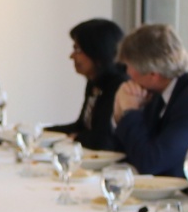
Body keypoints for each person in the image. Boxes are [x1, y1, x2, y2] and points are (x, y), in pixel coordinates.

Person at [112, 23, 188, 176]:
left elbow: (151, 163)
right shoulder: (154, 92)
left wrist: (130, 112)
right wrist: (118, 112)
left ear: (153, 75)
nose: (127, 73)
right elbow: (123, 154)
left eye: (129, 66)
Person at [46, 18, 127, 150]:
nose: (72, 56)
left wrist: (75, 138)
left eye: (78, 50)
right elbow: (82, 126)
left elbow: (103, 140)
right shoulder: (94, 81)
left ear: (99, 51)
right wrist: (43, 132)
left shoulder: (120, 87)